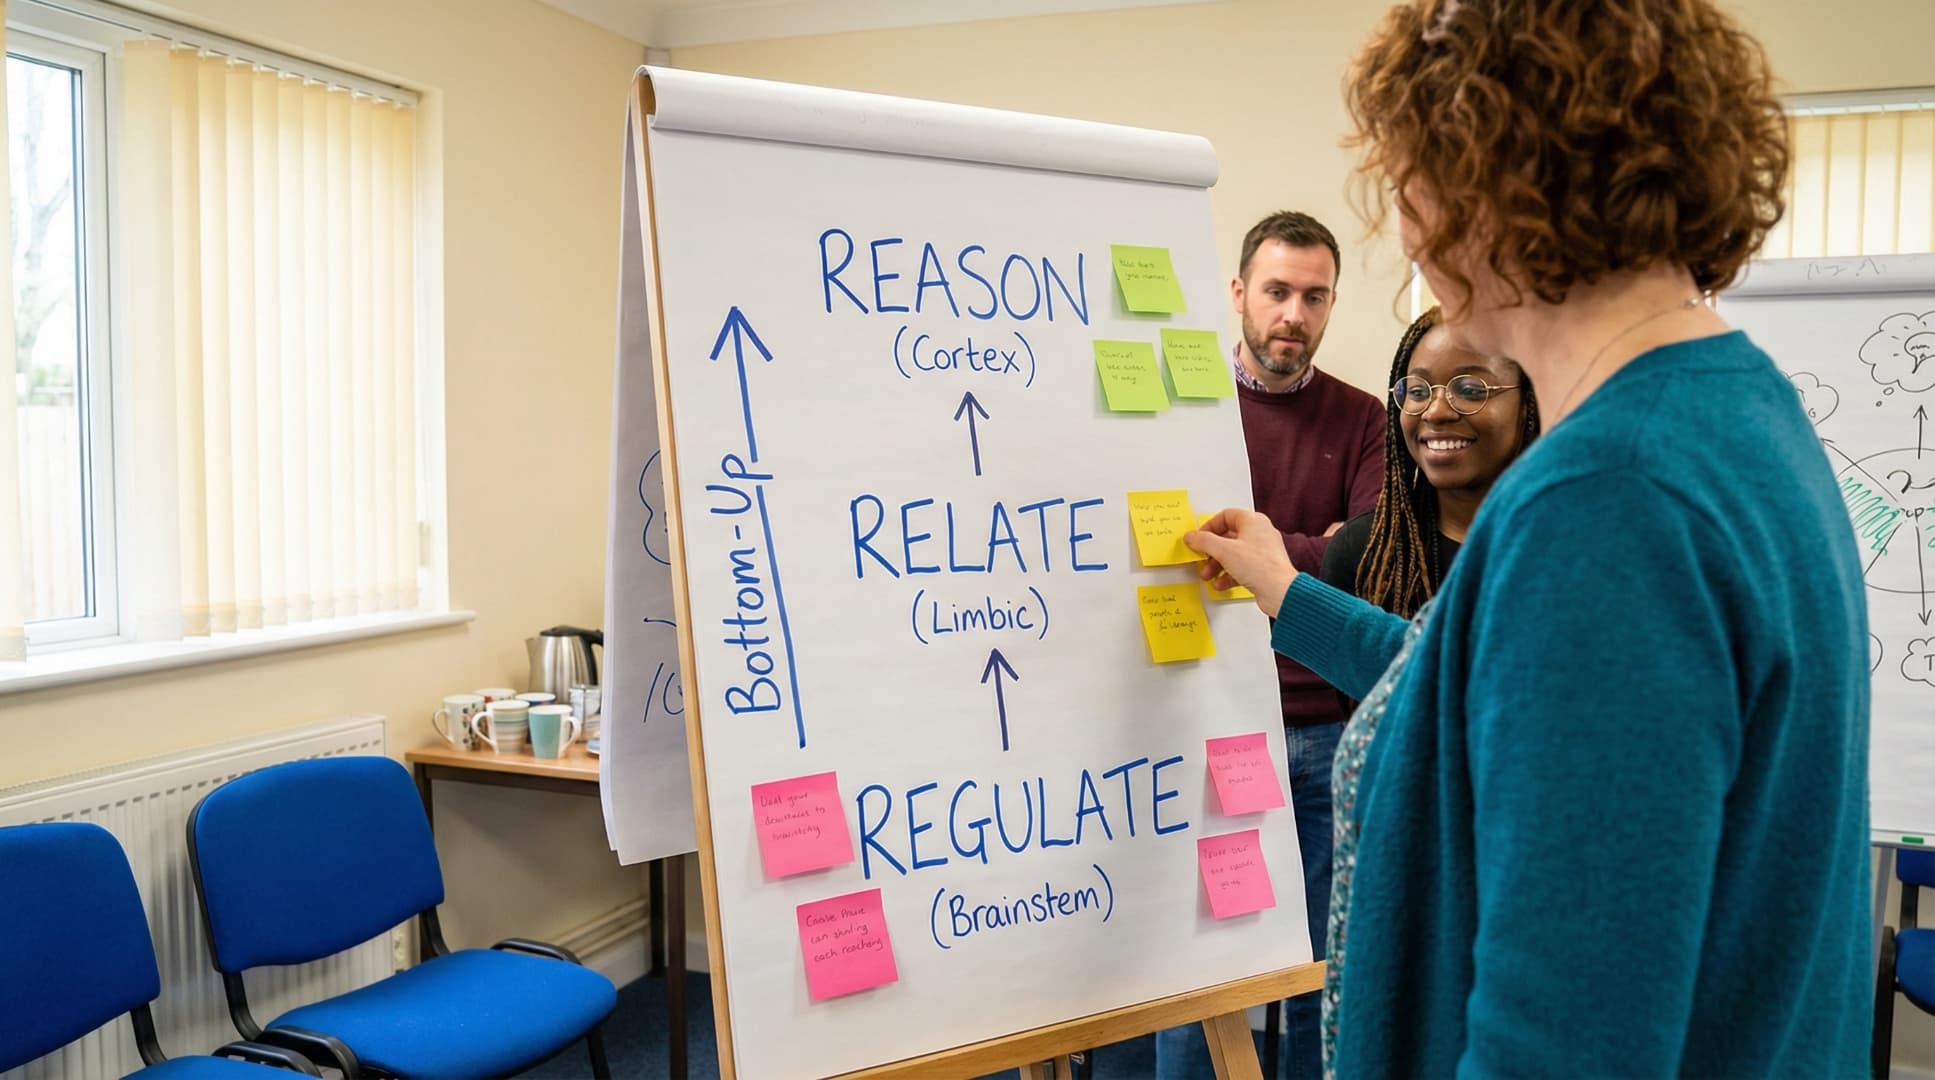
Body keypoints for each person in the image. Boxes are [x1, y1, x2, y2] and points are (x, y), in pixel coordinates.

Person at [1186, 1, 1870, 1075]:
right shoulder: (1735, 409)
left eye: (1409, 179)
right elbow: (1466, 684)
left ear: (1479, 186)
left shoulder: (1605, 501)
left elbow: (1563, 1035)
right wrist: (1286, 589)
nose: (1404, 227)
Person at [1155, 211, 1384, 1080]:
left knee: (1317, 973)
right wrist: (1309, 549)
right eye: (1277, 291)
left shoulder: (1364, 419)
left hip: (1323, 726)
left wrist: (1252, 551)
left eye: (1313, 297)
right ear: (1238, 292)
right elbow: (1169, 546)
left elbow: (1363, 562)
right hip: (1205, 725)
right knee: (1201, 976)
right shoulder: (1184, 406)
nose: (1294, 314)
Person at [1318, 305, 1539, 617]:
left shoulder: (1573, 546)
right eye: (1418, 391)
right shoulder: (1362, 553)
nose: (1435, 412)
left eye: (1470, 390)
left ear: (1527, 404)